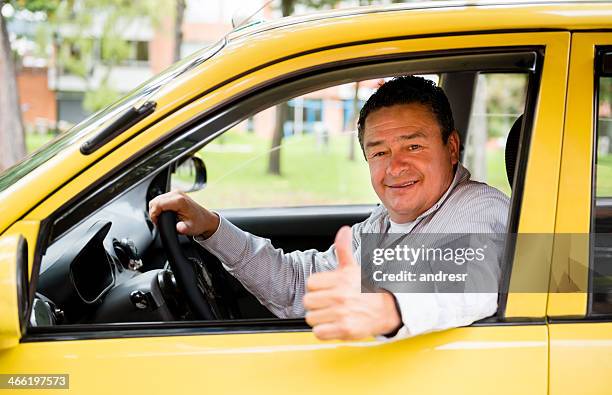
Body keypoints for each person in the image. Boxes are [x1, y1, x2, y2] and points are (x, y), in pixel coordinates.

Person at [148, 76, 509, 341]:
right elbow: (295, 285)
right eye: (380, 152)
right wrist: (211, 227)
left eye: (413, 147)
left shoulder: (481, 210)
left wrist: (389, 308)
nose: (395, 167)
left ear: (451, 147)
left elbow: (472, 275)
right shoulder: (384, 223)